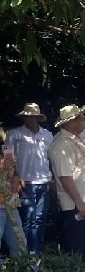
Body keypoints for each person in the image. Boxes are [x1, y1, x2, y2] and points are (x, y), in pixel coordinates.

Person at [47, 104, 85, 263]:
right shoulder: (60, 145)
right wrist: (80, 204)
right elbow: (65, 178)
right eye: (82, 118)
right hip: (78, 205)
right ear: (71, 122)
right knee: (78, 245)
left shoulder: (79, 139)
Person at [4, 103, 53, 254]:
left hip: (44, 182)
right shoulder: (14, 134)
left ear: (38, 118)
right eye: (27, 116)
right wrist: (16, 176)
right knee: (28, 219)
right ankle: (25, 255)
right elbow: (7, 158)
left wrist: (53, 178)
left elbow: (52, 158)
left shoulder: (47, 135)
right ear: (23, 117)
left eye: (32, 116)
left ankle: (36, 253)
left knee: (40, 219)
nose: (29, 119)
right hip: (25, 183)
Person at [1, 137, 26, 257]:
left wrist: (16, 179)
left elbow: (14, 172)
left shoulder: (4, 148)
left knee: (19, 244)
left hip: (10, 204)